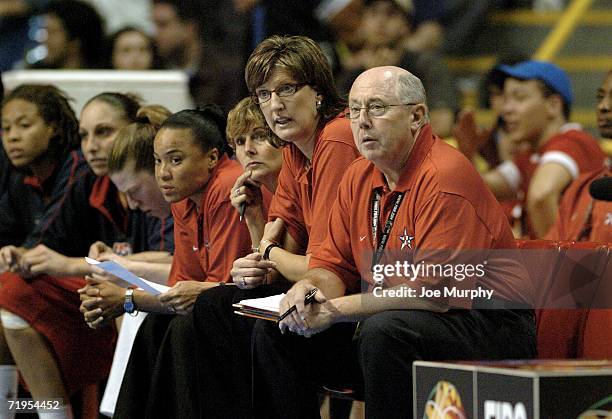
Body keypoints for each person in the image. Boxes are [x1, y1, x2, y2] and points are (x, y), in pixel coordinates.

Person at [252, 66, 536, 419]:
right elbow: (332, 266)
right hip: (399, 317)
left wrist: (335, 310)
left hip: (488, 323)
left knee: (385, 332)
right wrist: (307, 292)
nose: (362, 121)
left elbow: (435, 294)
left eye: (377, 108)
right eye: (354, 110)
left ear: (417, 116)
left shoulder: (444, 175)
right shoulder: (357, 175)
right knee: (281, 329)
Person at [0, 91, 171, 418]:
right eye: (84, 135)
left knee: (14, 293)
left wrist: (88, 264)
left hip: (144, 300)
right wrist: (19, 256)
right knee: (10, 292)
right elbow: (46, 245)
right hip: (107, 299)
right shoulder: (87, 181)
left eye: (104, 132)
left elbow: (173, 263)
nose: (91, 145)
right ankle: (16, 411)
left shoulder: (157, 179)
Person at [113, 105, 254, 418]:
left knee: (185, 327)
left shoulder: (225, 187)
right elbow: (182, 287)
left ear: (212, 158)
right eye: (158, 161)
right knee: (153, 325)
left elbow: (218, 291)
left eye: (176, 160)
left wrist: (126, 299)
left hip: (248, 304)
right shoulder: (183, 198)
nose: (163, 173)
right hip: (216, 304)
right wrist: (129, 301)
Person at [0, 84, 90, 417]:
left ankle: (55, 413)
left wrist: (15, 256)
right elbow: (7, 233)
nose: (12, 137)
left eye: (24, 125)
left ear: (52, 127)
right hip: (46, 281)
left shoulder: (76, 166)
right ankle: (6, 410)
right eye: (6, 128)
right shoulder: (20, 176)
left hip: (84, 282)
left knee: (10, 292)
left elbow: (48, 236)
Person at [480, 60, 606, 238]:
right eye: (506, 99)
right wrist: (465, 156)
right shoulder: (532, 155)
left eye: (519, 98)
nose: (506, 109)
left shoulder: (574, 141)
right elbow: (486, 186)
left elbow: (541, 195)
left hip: (576, 264)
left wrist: (549, 261)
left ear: (553, 105)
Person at [78, 104, 176, 330]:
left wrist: (124, 284)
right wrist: (114, 263)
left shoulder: (185, 201)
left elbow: (191, 276)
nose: (132, 204)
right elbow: (176, 260)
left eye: (134, 191)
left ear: (158, 169)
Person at [29, 0, 106, 69]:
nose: (44, 39)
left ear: (76, 42)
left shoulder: (104, 76)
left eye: (52, 32)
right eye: (44, 31)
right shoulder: (34, 76)